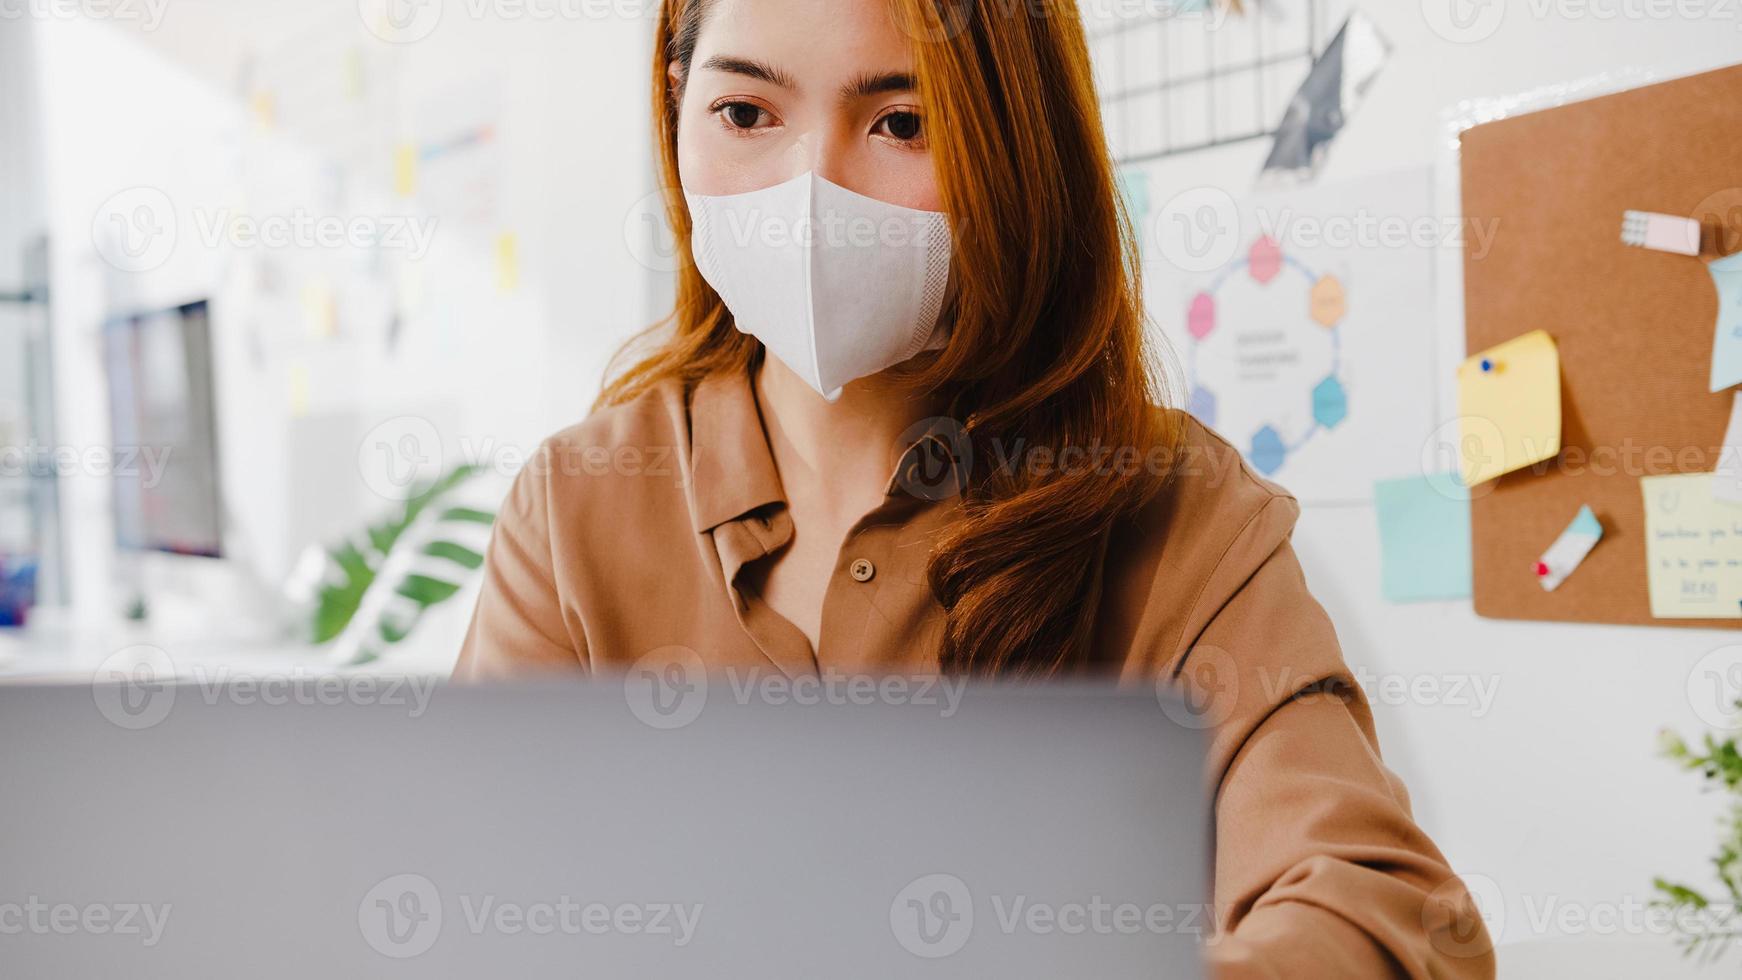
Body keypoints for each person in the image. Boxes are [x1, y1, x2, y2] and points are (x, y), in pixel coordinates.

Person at [454, 0, 1496, 975]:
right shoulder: (576, 506)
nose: (808, 190)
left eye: (901, 122)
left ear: (1010, 145)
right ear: (675, 109)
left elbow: (1383, 913)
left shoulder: (1169, 505)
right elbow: (474, 906)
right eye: (742, 112)